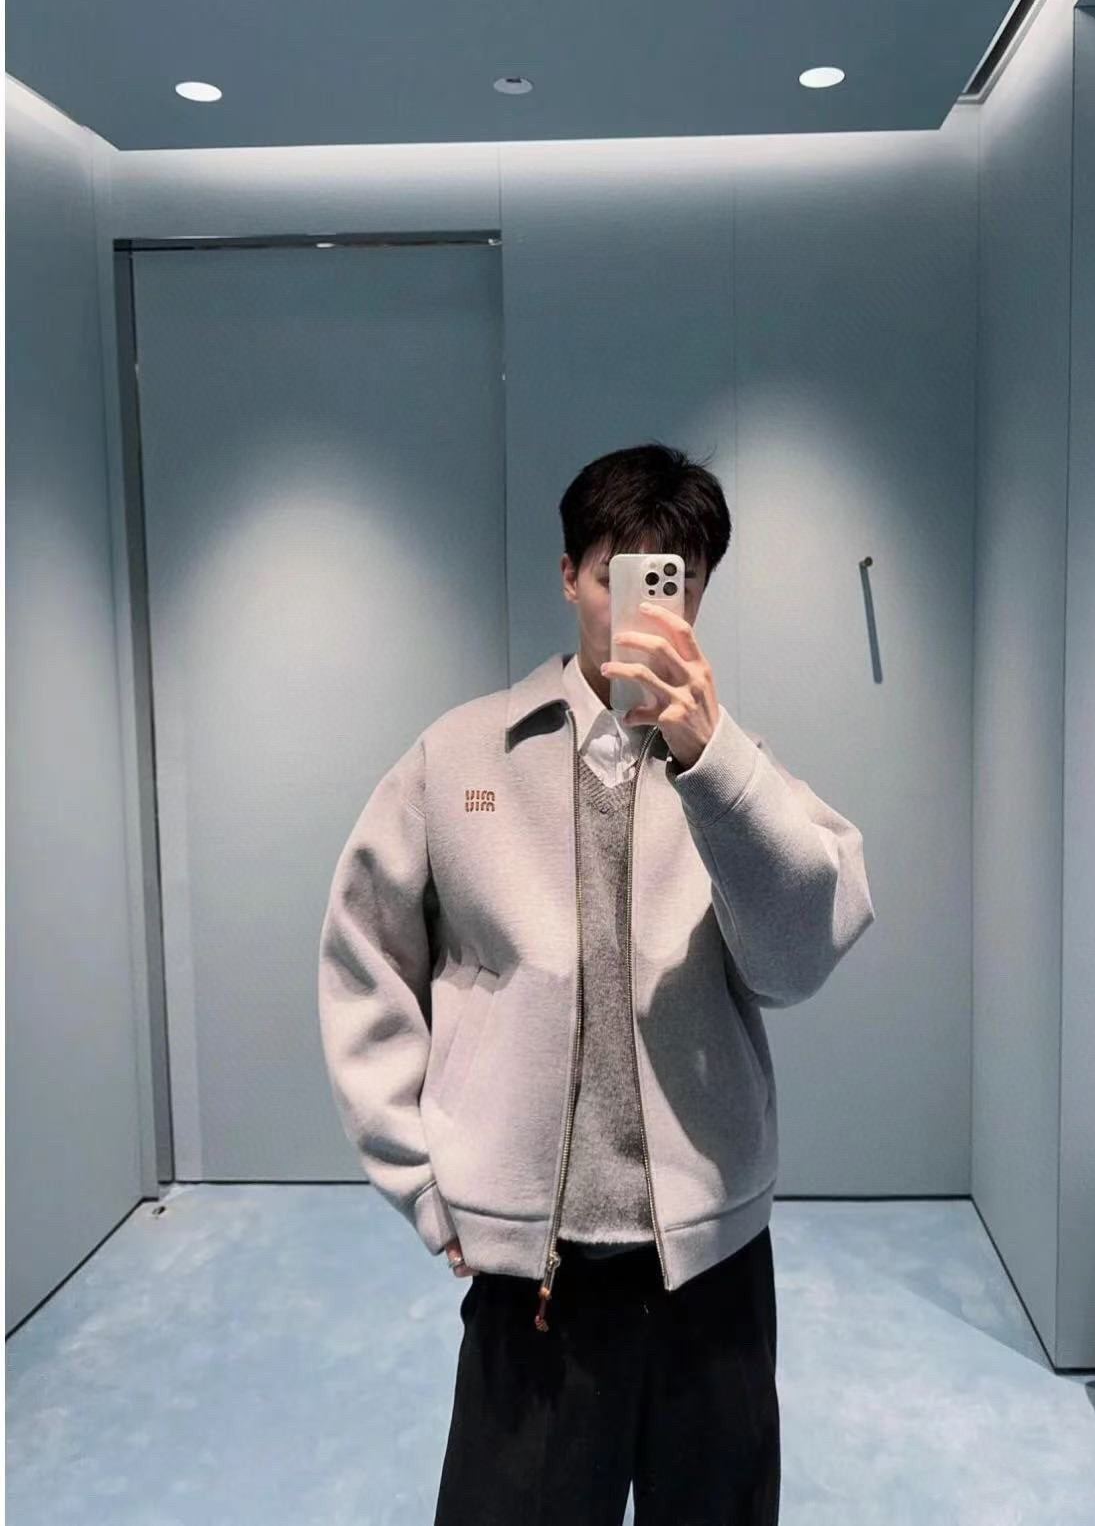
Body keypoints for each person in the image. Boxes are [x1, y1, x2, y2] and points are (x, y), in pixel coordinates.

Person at [317, 441, 876, 1524]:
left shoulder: (737, 770)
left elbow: (802, 952)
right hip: (536, 1275)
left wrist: (712, 760)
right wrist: (423, 1179)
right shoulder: (460, 758)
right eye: (625, 572)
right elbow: (363, 956)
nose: (652, 607)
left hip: (710, 1270)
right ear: (571, 574)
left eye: (681, 581)